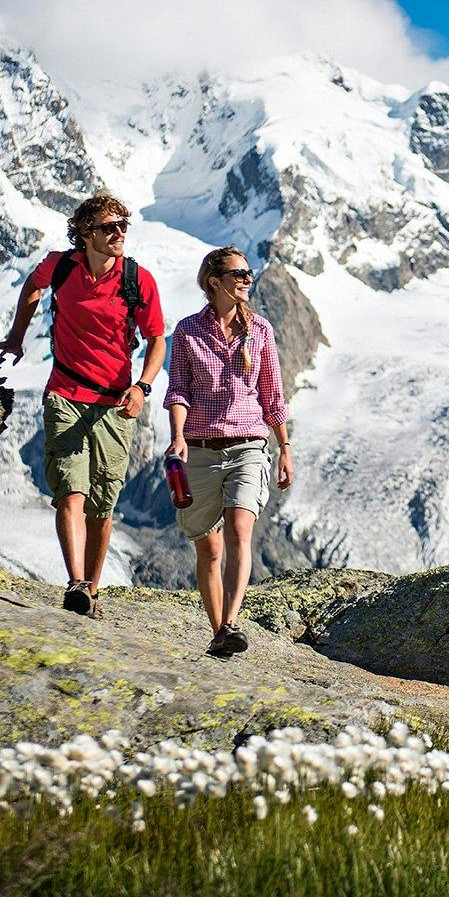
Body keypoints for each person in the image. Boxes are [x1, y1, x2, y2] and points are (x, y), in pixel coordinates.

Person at [0, 192, 165, 620]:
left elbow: (157, 339)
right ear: (85, 234)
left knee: (102, 506)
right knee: (70, 492)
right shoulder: (62, 266)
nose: (119, 233)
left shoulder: (136, 280)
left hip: (114, 403)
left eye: (123, 225)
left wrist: (142, 385)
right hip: (65, 393)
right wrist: (17, 336)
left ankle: (92, 588)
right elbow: (33, 285)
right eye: (109, 227)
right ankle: (75, 584)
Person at [164, 245, 293, 656]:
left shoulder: (261, 331)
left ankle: (232, 622)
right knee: (209, 547)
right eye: (238, 274)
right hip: (200, 447)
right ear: (214, 282)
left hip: (248, 444)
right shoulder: (186, 331)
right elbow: (179, 389)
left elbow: (272, 395)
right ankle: (219, 630)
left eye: (248, 273)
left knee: (240, 529)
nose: (246, 279)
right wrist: (178, 436)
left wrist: (285, 447)